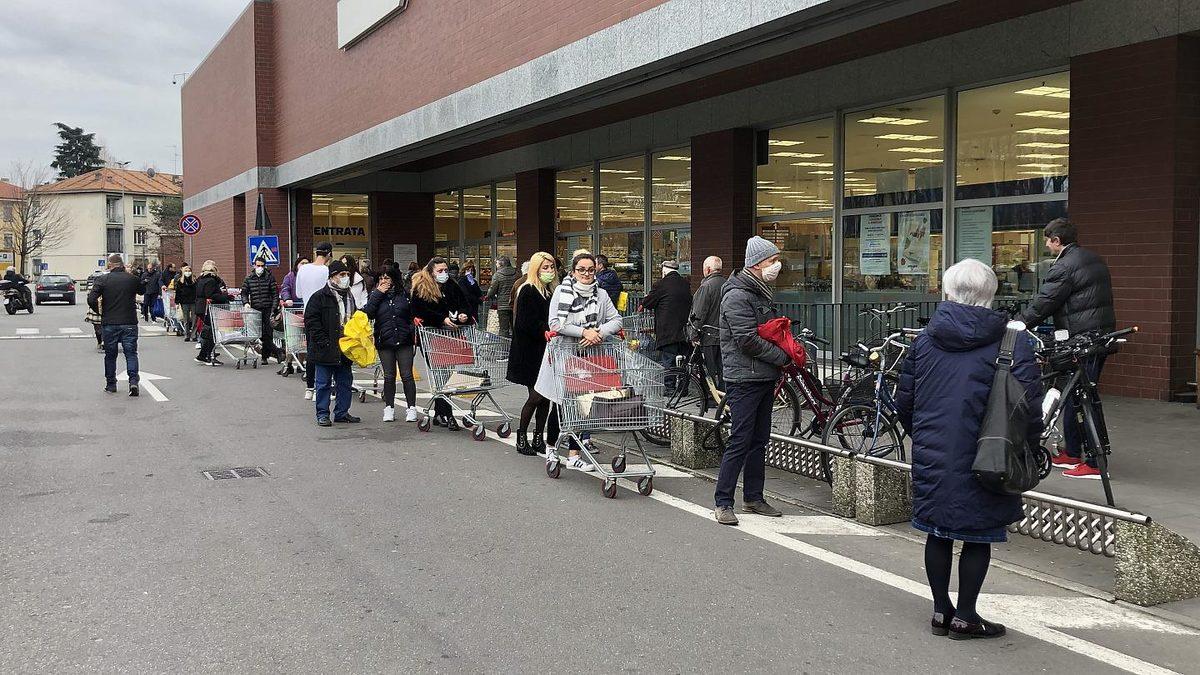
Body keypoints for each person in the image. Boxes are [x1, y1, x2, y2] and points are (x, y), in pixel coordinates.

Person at [896, 259, 1043, 640]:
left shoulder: (925, 340)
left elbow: (904, 401)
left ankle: (940, 612)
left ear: (947, 293)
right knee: (978, 534)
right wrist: (1032, 447)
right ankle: (966, 615)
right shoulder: (1014, 342)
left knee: (938, 531)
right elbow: (1026, 405)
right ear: (991, 295)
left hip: (934, 450)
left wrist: (924, 436)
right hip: (990, 453)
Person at [1018, 217, 1115, 480]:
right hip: (1097, 338)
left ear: (1057, 240)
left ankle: (1095, 463)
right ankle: (1073, 452)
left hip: (1082, 341)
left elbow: (1045, 302)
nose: (1047, 246)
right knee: (1074, 396)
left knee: (1084, 398)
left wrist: (1018, 324)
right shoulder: (1092, 258)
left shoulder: (1064, 265)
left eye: (1048, 241)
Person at [713, 236, 790, 526]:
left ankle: (754, 497)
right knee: (740, 440)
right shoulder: (737, 294)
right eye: (772, 261)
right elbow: (746, 339)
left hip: (762, 376)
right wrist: (781, 356)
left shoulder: (759, 291)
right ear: (758, 264)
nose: (776, 266)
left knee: (759, 439)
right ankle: (723, 502)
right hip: (744, 377)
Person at [535, 251, 623, 472]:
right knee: (561, 403)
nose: (586, 273)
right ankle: (551, 449)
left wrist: (599, 333)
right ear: (573, 272)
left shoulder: (601, 294)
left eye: (591, 270)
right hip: (565, 355)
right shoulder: (561, 293)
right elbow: (555, 324)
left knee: (585, 405)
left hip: (590, 357)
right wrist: (584, 331)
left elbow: (617, 320)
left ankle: (574, 455)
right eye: (581, 269)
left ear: (596, 271)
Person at [507, 252, 559, 455]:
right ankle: (522, 437)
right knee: (536, 396)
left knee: (546, 398)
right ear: (536, 269)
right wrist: (543, 330)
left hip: (546, 350)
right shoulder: (528, 290)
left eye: (551, 267)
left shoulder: (551, 291)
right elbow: (523, 322)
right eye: (544, 268)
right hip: (530, 352)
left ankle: (539, 437)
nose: (549, 271)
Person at [305, 260, 360, 427]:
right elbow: (311, 321)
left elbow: (354, 319)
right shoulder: (320, 297)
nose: (345, 278)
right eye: (341, 275)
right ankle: (322, 414)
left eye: (347, 275)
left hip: (344, 347)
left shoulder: (350, 296)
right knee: (323, 384)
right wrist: (323, 341)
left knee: (345, 382)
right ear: (332, 277)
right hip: (325, 348)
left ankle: (342, 413)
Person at [363, 267, 418, 423]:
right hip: (384, 340)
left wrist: (410, 330)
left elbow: (412, 314)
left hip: (404, 339)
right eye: (381, 278)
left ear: (394, 279)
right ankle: (389, 408)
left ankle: (411, 408)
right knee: (389, 376)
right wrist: (378, 293)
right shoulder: (376, 295)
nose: (383, 281)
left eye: (387, 278)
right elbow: (369, 312)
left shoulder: (405, 295)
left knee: (407, 375)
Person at [88, 254, 142, 396]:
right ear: (122, 264)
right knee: (131, 353)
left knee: (110, 355)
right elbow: (142, 290)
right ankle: (133, 382)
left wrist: (99, 311)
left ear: (110, 265)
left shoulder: (102, 280)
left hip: (110, 322)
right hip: (129, 321)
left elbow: (91, 298)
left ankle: (111, 384)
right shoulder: (132, 279)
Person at [296, 243, 333, 399]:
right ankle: (322, 388)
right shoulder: (326, 271)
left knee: (311, 350)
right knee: (326, 351)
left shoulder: (303, 269)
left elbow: (298, 293)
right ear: (329, 254)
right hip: (325, 315)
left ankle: (309, 387)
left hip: (308, 314)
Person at [640, 259, 692, 371]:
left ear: (664, 272)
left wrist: (646, 297)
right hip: (684, 332)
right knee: (684, 363)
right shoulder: (686, 284)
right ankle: (684, 386)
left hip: (667, 332)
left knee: (669, 362)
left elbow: (648, 303)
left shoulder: (661, 285)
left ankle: (670, 388)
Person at [689, 256, 726, 392]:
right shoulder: (727, 284)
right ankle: (724, 398)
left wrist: (694, 334)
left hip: (708, 336)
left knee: (709, 369)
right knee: (723, 370)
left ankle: (711, 396)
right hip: (724, 335)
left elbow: (699, 313)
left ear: (708, 269)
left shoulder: (706, 287)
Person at [242, 256, 281, 363]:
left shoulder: (269, 277)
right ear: (254, 265)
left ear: (265, 266)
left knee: (268, 333)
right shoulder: (249, 278)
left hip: (268, 308)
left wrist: (273, 309)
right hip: (255, 309)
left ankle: (265, 357)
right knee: (260, 333)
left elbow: (275, 295)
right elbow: (244, 292)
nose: (260, 268)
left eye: (262, 266)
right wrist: (246, 303)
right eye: (258, 265)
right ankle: (277, 351)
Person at [193, 260, 231, 366]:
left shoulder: (201, 280)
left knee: (210, 332)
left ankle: (204, 355)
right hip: (208, 308)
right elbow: (211, 295)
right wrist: (226, 296)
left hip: (201, 307)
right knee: (212, 333)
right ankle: (206, 356)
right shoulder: (211, 281)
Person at [484, 256, 518, 337]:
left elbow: (492, 289)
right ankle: (516, 346)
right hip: (514, 304)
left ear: (501, 264)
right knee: (515, 327)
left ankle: (504, 347)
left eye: (497, 263)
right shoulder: (516, 273)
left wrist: (488, 296)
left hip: (503, 305)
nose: (496, 265)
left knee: (503, 329)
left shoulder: (498, 275)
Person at [174, 264, 197, 341]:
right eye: (186, 271)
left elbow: (197, 291)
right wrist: (177, 302)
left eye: (189, 271)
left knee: (194, 319)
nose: (188, 272)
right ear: (183, 272)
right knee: (186, 319)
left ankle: (193, 335)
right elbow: (178, 292)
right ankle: (187, 334)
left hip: (193, 301)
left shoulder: (194, 281)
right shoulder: (180, 281)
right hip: (184, 302)